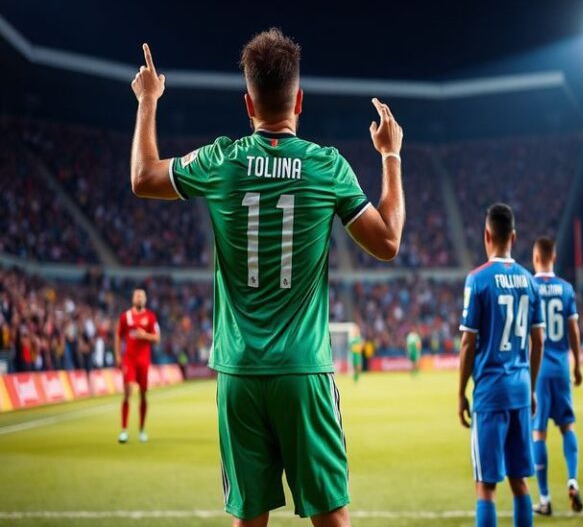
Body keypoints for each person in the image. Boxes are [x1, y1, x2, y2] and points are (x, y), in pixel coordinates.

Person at [128, 30, 405, 527]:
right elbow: (387, 241)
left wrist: (148, 99)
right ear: (299, 101)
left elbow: (143, 177)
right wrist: (390, 155)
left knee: (249, 519)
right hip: (304, 371)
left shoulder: (221, 160)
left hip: (238, 372)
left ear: (247, 104)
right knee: (332, 518)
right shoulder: (327, 167)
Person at [458, 204, 545, 527]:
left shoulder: (477, 280)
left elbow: (468, 343)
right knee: (520, 481)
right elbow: (539, 341)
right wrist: (531, 387)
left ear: (487, 235)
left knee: (486, 486)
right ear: (514, 237)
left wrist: (460, 393)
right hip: (520, 391)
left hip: (491, 393)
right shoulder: (529, 281)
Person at [530, 237, 583, 515]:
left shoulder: (528, 286)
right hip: (562, 367)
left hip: (538, 370)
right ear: (554, 257)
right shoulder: (566, 289)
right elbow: (573, 330)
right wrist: (577, 365)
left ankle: (545, 498)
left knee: (538, 432)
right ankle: (572, 480)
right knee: (567, 427)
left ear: (536, 258)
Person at [115, 288, 159, 444]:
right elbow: (118, 336)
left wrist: (144, 335)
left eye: (141, 296)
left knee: (143, 394)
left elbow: (157, 338)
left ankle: (141, 429)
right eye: (137, 296)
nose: (139, 298)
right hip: (129, 360)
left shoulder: (150, 317)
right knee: (127, 391)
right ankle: (124, 430)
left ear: (145, 299)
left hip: (144, 361)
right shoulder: (125, 316)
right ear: (133, 299)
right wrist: (118, 355)